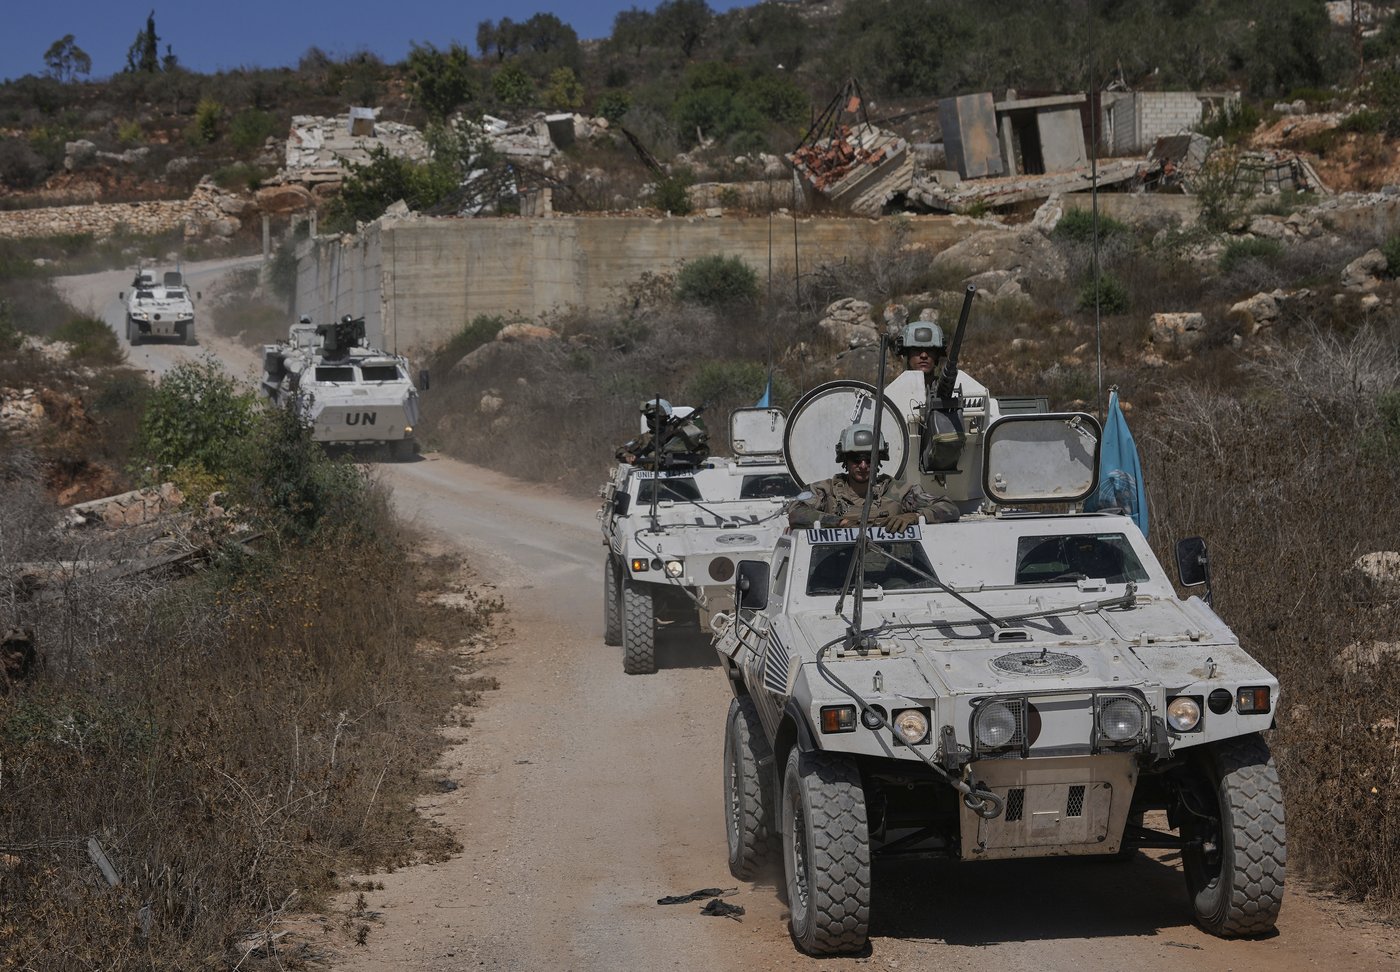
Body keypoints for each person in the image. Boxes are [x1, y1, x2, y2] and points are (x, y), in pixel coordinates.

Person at [788, 424, 959, 530]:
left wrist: (914, 517)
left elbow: (949, 508)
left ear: (879, 461)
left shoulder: (899, 491)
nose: (863, 466)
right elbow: (796, 513)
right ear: (845, 461)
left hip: (891, 569)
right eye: (856, 459)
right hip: (839, 571)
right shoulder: (825, 491)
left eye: (870, 459)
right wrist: (837, 522)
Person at [616, 398, 710, 467]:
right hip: (653, 482)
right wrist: (628, 456)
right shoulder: (644, 439)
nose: (652, 420)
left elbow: (703, 450)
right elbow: (620, 452)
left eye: (663, 418)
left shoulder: (680, 433)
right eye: (650, 418)